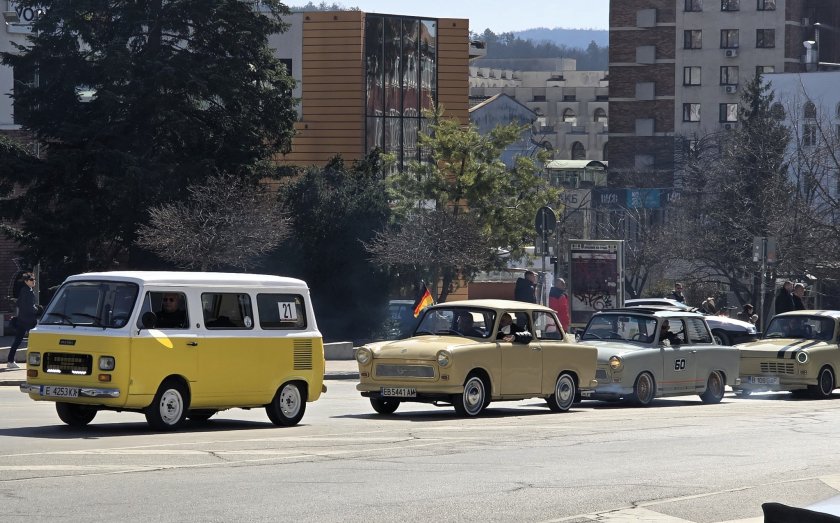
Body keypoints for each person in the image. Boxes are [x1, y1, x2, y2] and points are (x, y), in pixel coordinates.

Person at [7, 272, 38, 369]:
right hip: (28, 321)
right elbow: (27, 307)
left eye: (34, 279)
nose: (34, 281)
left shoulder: (26, 290)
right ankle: (35, 361)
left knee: (18, 340)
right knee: (35, 340)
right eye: (31, 280)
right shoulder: (27, 291)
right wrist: (37, 309)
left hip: (23, 319)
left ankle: (10, 361)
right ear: (26, 281)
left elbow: (19, 303)